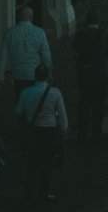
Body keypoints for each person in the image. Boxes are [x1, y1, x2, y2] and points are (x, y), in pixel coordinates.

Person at [15, 65, 69, 202]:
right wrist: (63, 132)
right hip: (50, 131)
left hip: (33, 131)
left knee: (32, 162)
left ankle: (29, 191)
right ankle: (44, 192)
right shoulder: (55, 93)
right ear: (48, 76)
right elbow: (63, 117)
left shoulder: (26, 92)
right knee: (48, 162)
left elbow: (18, 112)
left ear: (35, 76)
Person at [72, 9, 108, 143]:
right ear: (98, 22)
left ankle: (83, 132)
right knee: (99, 103)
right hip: (100, 73)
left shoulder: (80, 35)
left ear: (87, 22)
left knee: (84, 102)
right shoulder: (103, 34)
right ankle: (97, 132)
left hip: (84, 73)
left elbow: (75, 54)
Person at [0, 5, 52, 104]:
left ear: (19, 17)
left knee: (21, 101)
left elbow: (3, 56)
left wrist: (0, 75)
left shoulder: (10, 33)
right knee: (36, 103)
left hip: (18, 75)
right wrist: (49, 71)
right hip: (35, 74)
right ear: (31, 17)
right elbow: (46, 55)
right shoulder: (39, 32)